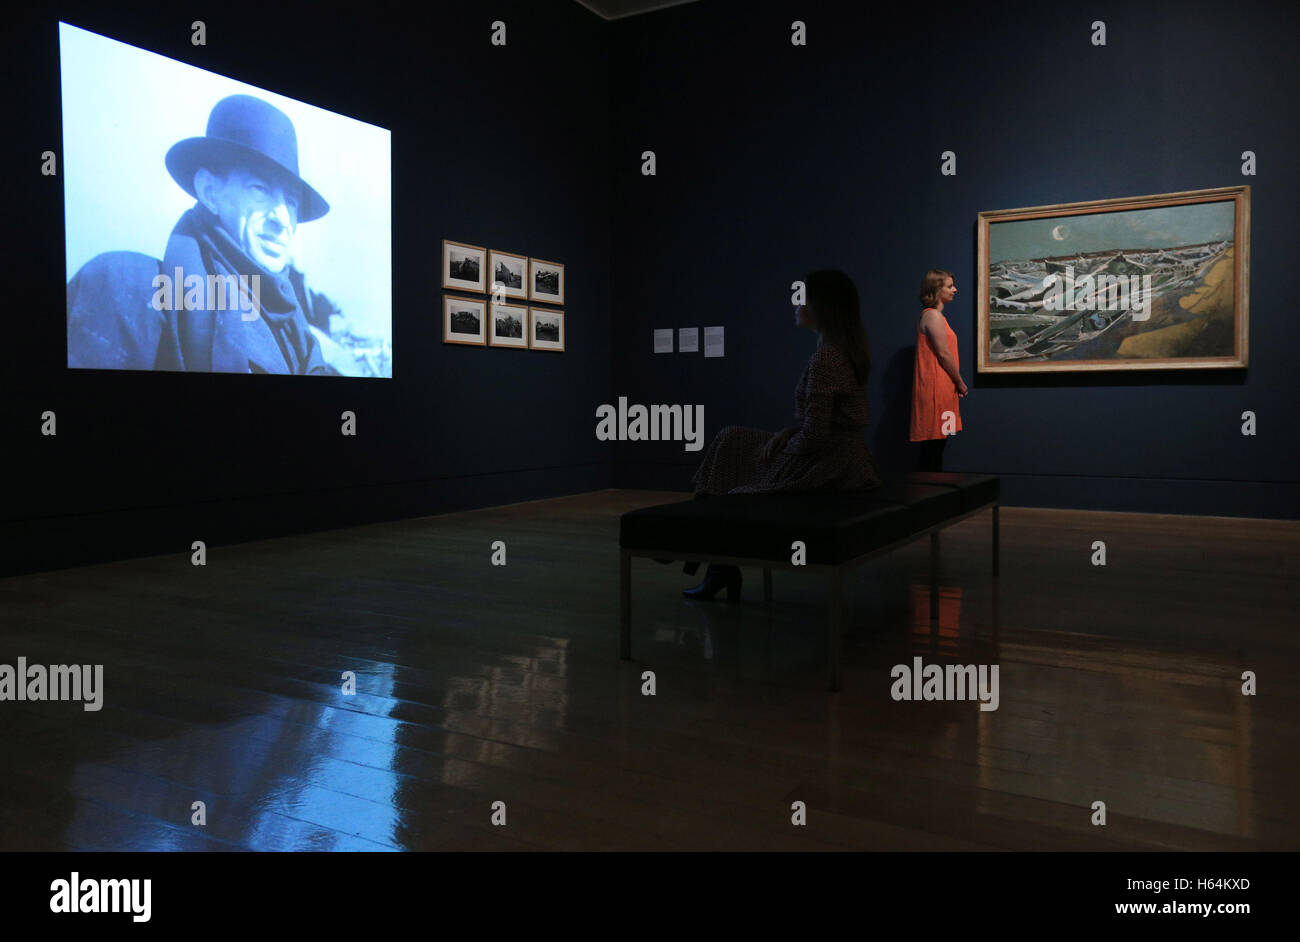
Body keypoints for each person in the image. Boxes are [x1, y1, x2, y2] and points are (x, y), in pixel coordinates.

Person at [67, 94, 339, 374]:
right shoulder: (124, 287)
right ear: (209, 192)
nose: (282, 219)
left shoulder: (296, 333)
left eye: (291, 202)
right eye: (259, 189)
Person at [679, 269, 884, 601]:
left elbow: (816, 437)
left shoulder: (827, 358)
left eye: (801, 298)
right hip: (846, 457)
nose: (795, 304)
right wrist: (788, 433)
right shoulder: (842, 350)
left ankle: (701, 550)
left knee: (731, 451)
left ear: (821, 306)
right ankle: (713, 560)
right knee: (731, 440)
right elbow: (831, 423)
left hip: (829, 463)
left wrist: (788, 443)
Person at [910, 269, 968, 470]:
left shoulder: (937, 317)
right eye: (950, 286)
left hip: (944, 390)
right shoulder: (932, 316)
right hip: (936, 390)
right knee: (933, 446)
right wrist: (960, 382)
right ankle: (928, 494)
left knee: (940, 443)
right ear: (936, 289)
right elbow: (943, 354)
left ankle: (934, 492)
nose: (955, 290)